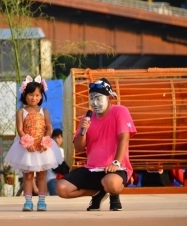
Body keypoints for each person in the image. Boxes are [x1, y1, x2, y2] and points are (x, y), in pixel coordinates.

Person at [56, 78, 136, 211]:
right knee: (61, 188)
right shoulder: (87, 118)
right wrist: (82, 132)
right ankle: (98, 192)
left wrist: (116, 163)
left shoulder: (120, 111)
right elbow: (79, 148)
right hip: (92, 169)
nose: (94, 102)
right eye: (91, 98)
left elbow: (124, 138)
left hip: (115, 168)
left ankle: (113, 195)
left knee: (111, 183)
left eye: (99, 98)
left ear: (109, 97)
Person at [4, 75, 64, 211]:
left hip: (42, 146)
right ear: (25, 94)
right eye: (31, 94)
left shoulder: (45, 111)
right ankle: (28, 201)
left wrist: (46, 139)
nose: (34, 98)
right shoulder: (21, 112)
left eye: (37, 95)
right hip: (27, 148)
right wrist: (26, 141)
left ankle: (42, 201)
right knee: (28, 175)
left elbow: (49, 126)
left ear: (41, 95)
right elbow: (20, 129)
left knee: (42, 175)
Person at [46, 129, 65, 195]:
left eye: (59, 137)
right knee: (55, 197)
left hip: (62, 179)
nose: (56, 140)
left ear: (62, 139)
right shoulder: (47, 150)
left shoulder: (63, 151)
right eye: (54, 137)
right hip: (51, 179)